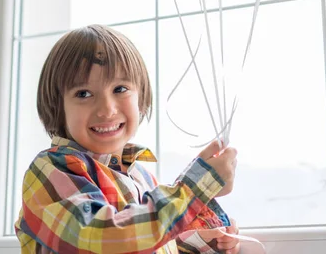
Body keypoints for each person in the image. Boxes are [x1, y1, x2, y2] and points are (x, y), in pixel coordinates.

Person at [15, 24, 240, 254]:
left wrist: (200, 243)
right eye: (83, 93)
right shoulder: (52, 169)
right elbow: (103, 238)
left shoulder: (141, 178)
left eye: (120, 89)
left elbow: (145, 241)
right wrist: (196, 188)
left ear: (141, 97)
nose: (106, 110)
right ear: (57, 106)